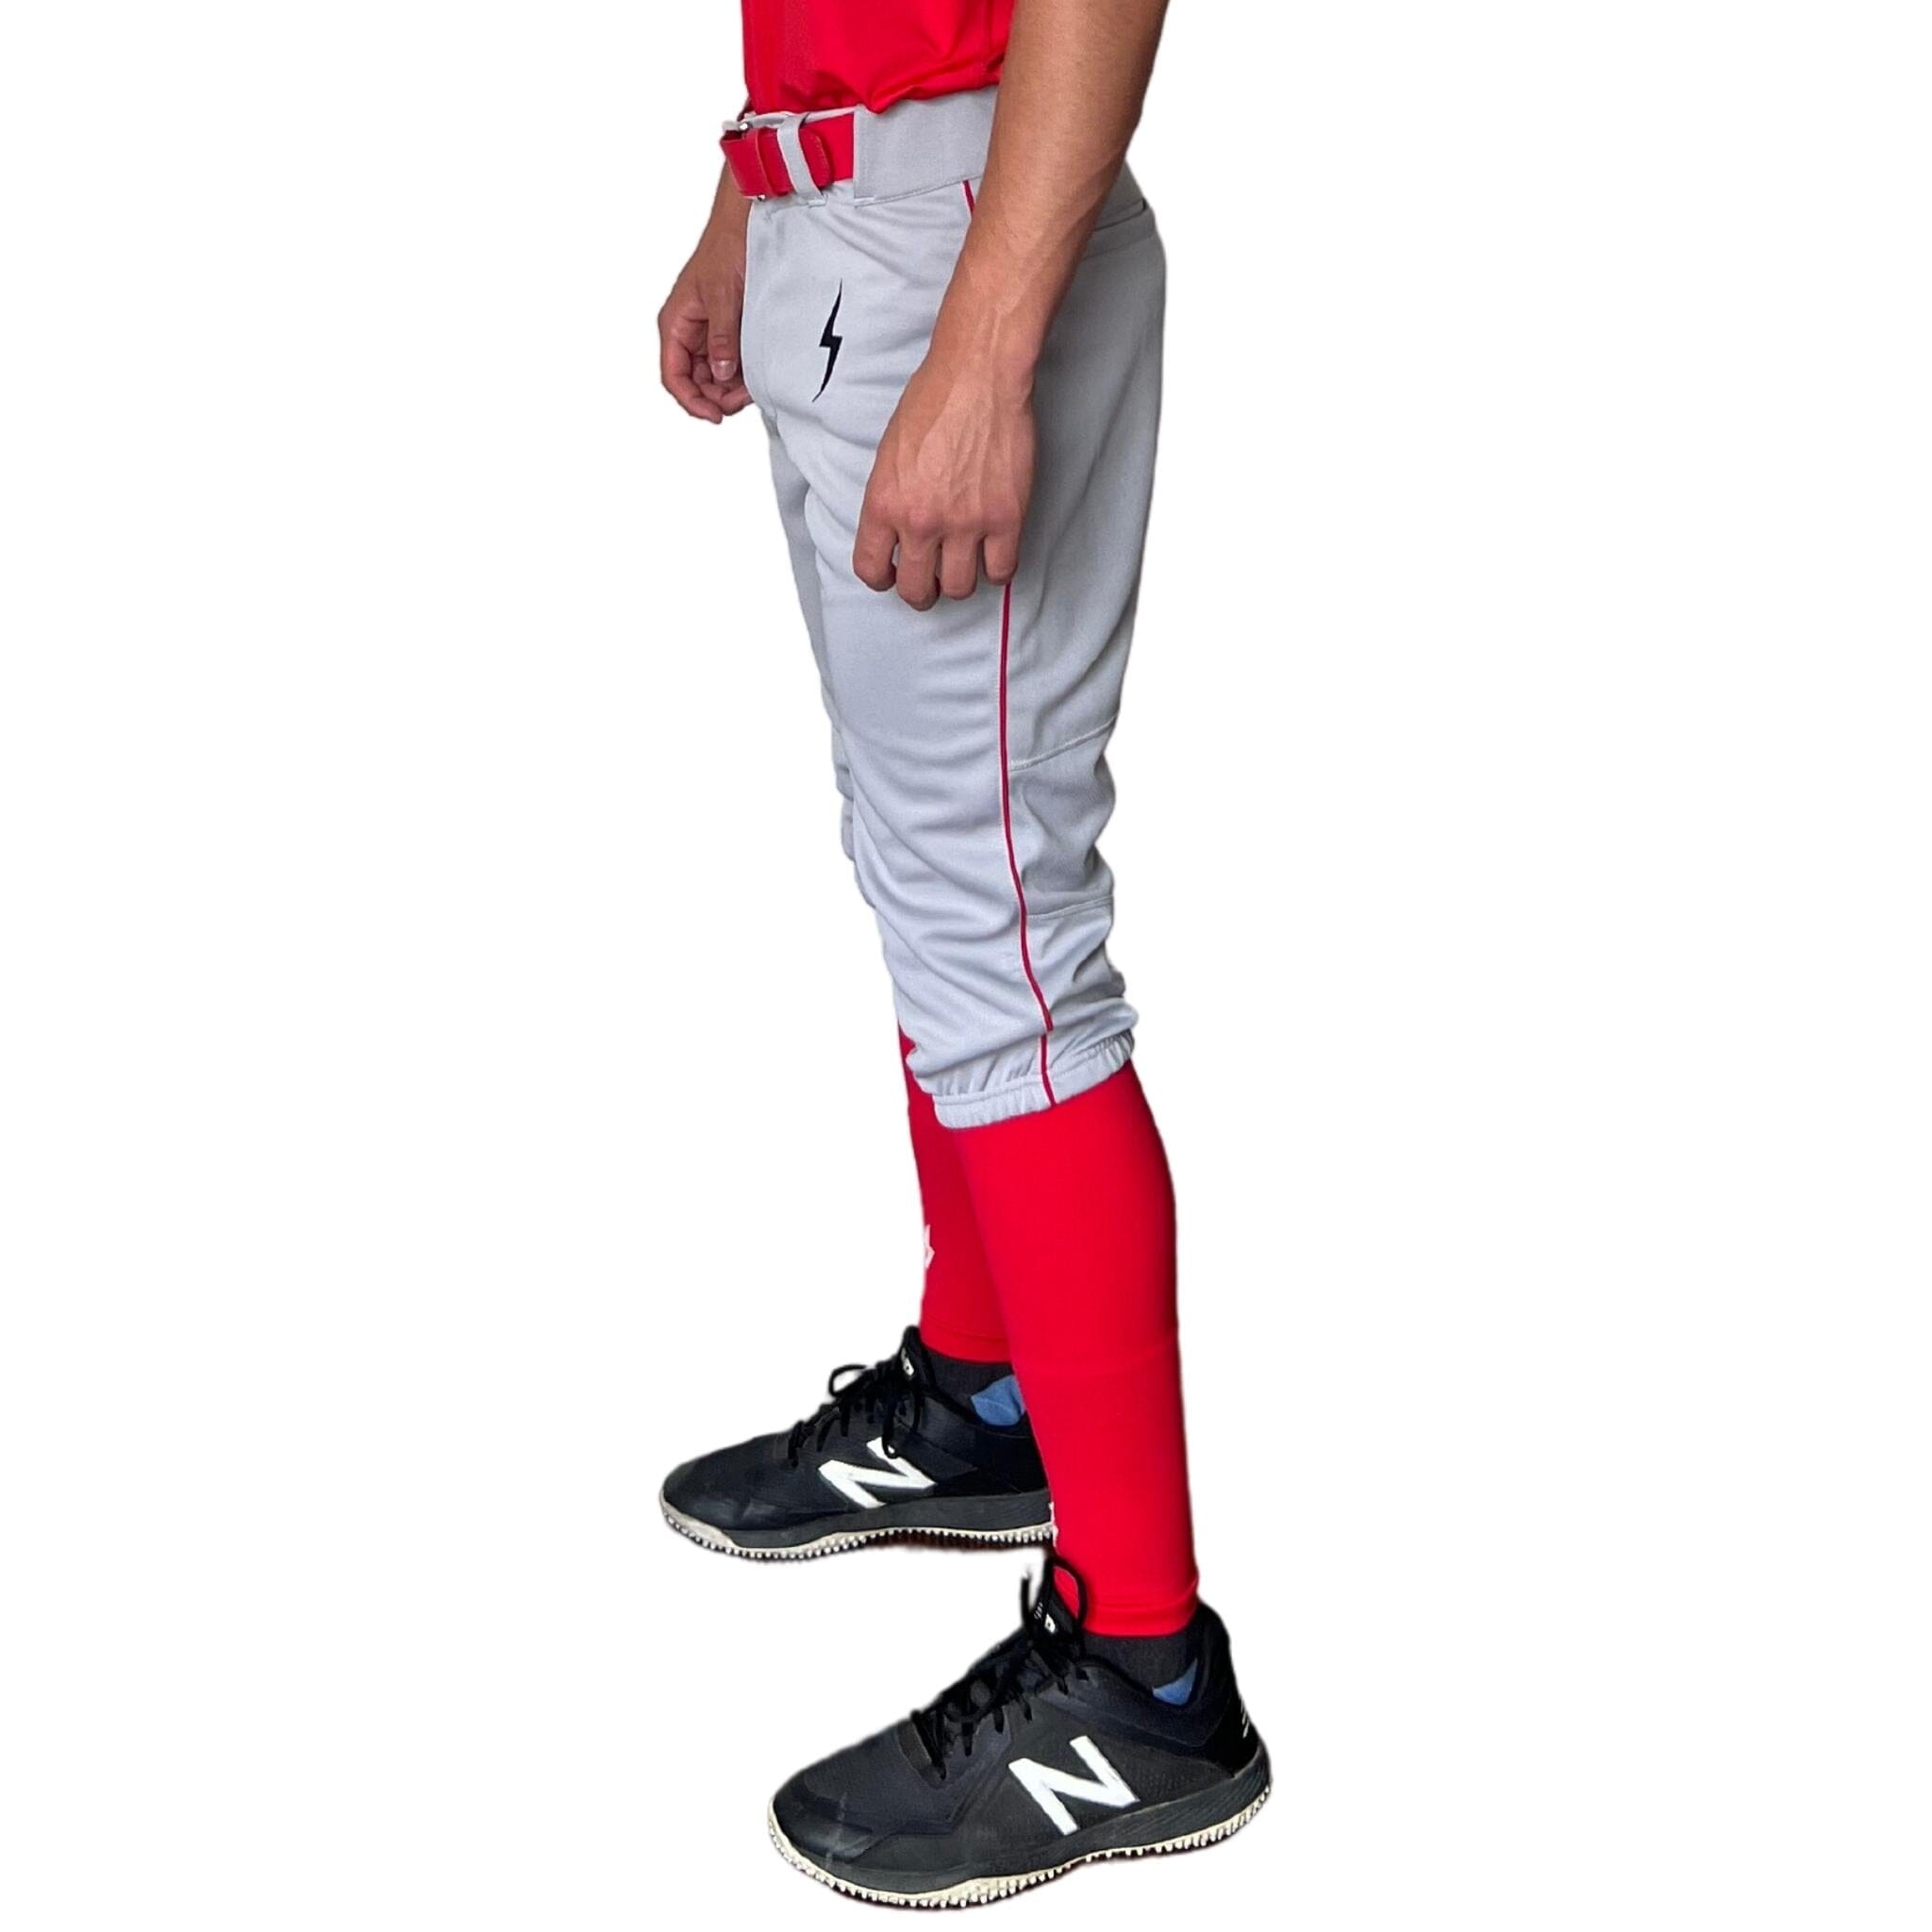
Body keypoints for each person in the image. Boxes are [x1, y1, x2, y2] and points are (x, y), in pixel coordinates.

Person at [656, 0, 1268, 1904]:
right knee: (931, 882)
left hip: (958, 244)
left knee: (1004, 943)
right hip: (851, 216)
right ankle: (986, 1396)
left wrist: (988, 343)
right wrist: (752, 190)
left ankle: (1144, 1674)